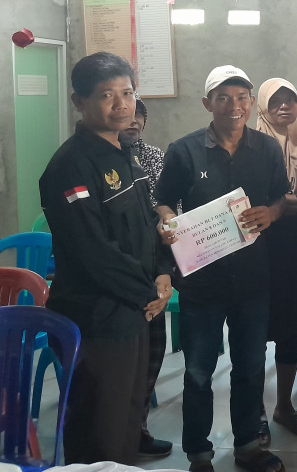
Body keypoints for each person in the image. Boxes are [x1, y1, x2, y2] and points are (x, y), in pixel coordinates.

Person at [39, 52, 172, 465]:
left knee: (129, 416)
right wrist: (147, 291)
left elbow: (146, 224)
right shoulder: (71, 166)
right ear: (79, 102)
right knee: (100, 425)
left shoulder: (125, 153)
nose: (121, 105)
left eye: (127, 93)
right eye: (106, 95)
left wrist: (163, 273)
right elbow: (91, 250)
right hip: (97, 318)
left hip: (133, 311)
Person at [155, 66, 289, 472]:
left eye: (242, 97)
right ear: (207, 103)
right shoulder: (184, 151)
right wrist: (166, 219)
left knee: (249, 368)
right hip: (202, 282)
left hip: (252, 280)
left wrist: (271, 213)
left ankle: (248, 446)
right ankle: (198, 454)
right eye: (224, 98)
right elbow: (163, 200)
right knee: (198, 372)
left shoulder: (267, 149)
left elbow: (281, 197)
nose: (234, 106)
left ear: (251, 102)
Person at [254, 79, 297, 442]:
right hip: (257, 247)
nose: (283, 107)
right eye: (275, 101)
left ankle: (284, 405)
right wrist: (295, 202)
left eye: (289, 100)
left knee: (291, 329)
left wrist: (284, 203)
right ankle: (255, 411)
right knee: (254, 332)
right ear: (262, 106)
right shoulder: (248, 146)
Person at [118, 97, 174, 458]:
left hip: (152, 269)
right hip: (120, 285)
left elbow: (164, 211)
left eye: (138, 113)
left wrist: (163, 270)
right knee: (119, 372)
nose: (132, 118)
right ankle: (116, 443)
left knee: (151, 356)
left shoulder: (151, 158)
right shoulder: (90, 161)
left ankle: (137, 430)